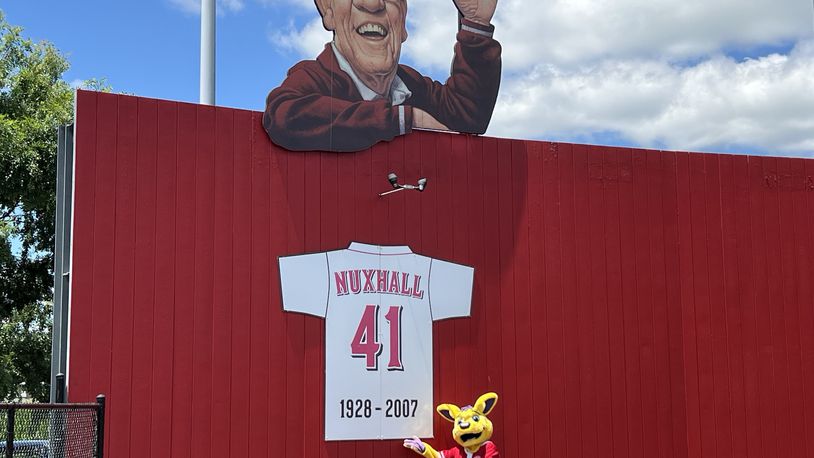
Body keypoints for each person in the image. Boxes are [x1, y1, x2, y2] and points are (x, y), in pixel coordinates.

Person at [263, 0, 501, 152]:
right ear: (328, 11)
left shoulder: (410, 84)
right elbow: (284, 115)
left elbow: (468, 117)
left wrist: (476, 24)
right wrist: (399, 120)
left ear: (403, 20)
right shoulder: (316, 76)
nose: (372, 4)